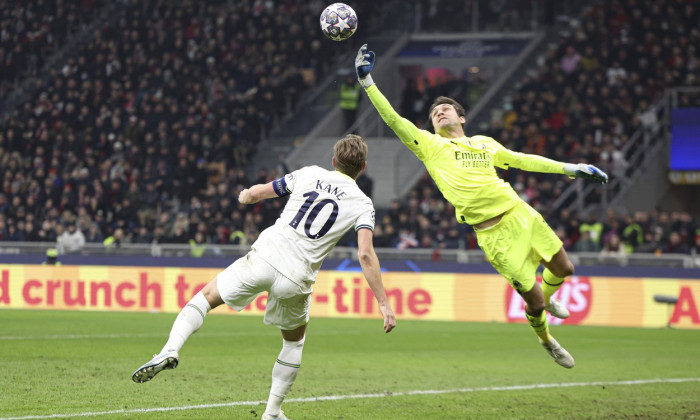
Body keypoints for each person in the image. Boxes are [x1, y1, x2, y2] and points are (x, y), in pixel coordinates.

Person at [355, 44, 608, 369]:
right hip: (494, 234)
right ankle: (547, 340)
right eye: (435, 113)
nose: (439, 113)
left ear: (462, 117)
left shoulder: (484, 143)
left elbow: (521, 160)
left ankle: (549, 299)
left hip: (521, 213)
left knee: (565, 269)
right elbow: (392, 118)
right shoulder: (430, 146)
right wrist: (367, 82)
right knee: (532, 301)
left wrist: (571, 167)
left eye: (446, 109)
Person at [132, 134, 396, 420]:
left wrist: (244, 195)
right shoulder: (363, 203)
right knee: (293, 342)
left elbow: (258, 193)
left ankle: (170, 349)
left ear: (333, 161)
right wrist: (383, 303)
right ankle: (271, 412)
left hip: (266, 255)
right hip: (298, 277)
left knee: (206, 298)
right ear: (363, 168)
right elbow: (366, 255)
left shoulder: (309, 173)